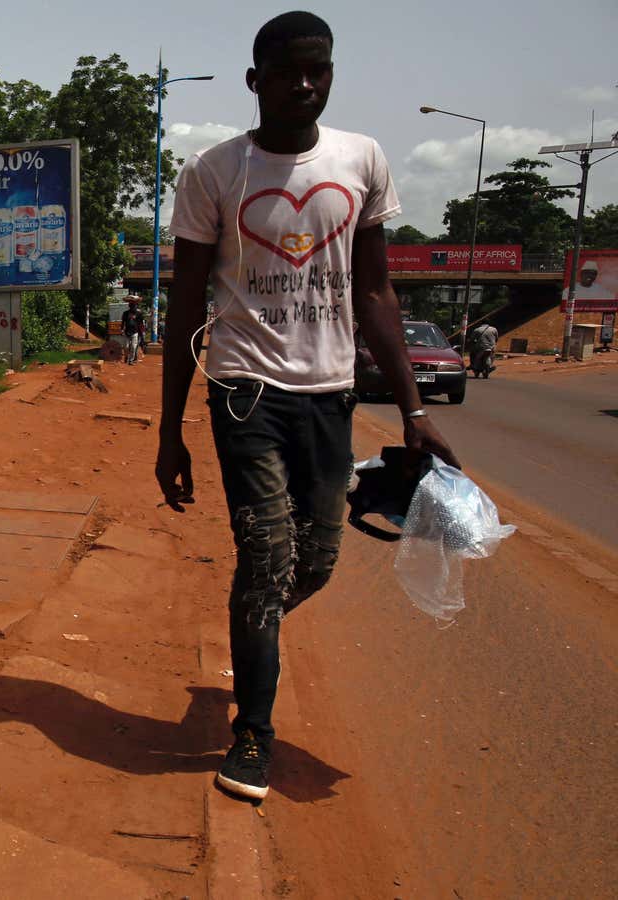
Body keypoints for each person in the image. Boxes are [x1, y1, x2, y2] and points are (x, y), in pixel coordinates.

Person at [156, 11, 458, 802]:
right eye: (287, 72)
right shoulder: (214, 172)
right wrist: (170, 431)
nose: (304, 85)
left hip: (329, 395)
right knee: (265, 557)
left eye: (317, 70)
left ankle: (252, 628)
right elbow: (185, 305)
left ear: (331, 73)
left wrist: (413, 411)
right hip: (244, 389)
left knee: (313, 564)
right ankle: (253, 732)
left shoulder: (362, 161)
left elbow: (376, 292)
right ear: (255, 82)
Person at [122, 296, 147, 365]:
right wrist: (122, 329)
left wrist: (141, 333)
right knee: (126, 347)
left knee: (133, 347)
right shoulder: (125, 313)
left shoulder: (139, 313)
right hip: (127, 332)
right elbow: (123, 322)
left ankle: (131, 360)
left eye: (134, 305)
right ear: (129, 306)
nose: (132, 306)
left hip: (135, 332)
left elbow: (141, 324)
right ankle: (126, 356)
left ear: (135, 306)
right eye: (131, 305)